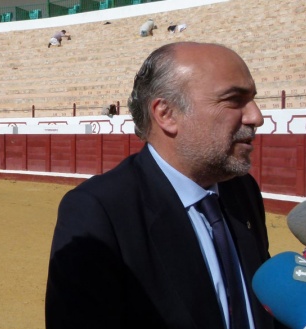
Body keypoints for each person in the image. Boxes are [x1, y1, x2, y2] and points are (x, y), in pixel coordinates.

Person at [45, 41, 287, 328]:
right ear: (167, 114)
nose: (256, 116)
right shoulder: (100, 211)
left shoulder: (242, 189)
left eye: (253, 99)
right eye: (234, 100)